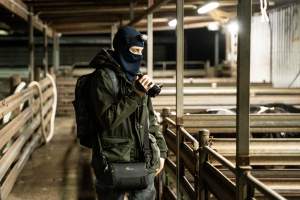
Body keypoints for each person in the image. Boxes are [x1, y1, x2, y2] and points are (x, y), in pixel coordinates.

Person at [88, 26, 168, 200]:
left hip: (143, 158)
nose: (137, 56)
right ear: (122, 49)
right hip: (114, 161)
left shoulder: (136, 78)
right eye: (134, 50)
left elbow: (151, 120)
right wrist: (136, 94)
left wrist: (162, 152)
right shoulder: (103, 78)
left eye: (140, 51)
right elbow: (107, 120)